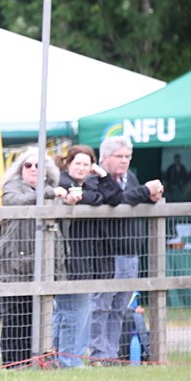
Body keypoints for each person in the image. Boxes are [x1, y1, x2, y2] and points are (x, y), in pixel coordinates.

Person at [0, 147, 66, 368]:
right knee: (16, 314)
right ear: (21, 168)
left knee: (40, 313)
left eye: (38, 165)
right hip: (14, 261)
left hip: (45, 262)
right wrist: (49, 193)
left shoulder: (53, 190)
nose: (33, 169)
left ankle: (36, 359)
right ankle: (13, 362)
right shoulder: (12, 186)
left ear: (46, 170)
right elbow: (14, 202)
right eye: (28, 165)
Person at [90, 136, 163, 364]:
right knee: (100, 306)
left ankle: (111, 355)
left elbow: (133, 199)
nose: (124, 161)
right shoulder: (94, 179)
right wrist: (144, 190)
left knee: (120, 307)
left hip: (131, 253)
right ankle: (97, 354)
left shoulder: (130, 177)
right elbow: (118, 200)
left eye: (127, 156)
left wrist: (152, 197)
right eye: (119, 156)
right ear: (104, 157)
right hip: (105, 254)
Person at [53, 145, 120, 368]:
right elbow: (84, 197)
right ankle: (69, 360)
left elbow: (114, 197)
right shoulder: (61, 182)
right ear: (67, 164)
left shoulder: (91, 183)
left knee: (72, 310)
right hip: (68, 256)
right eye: (77, 163)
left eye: (86, 164)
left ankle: (61, 357)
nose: (82, 168)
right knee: (74, 311)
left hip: (88, 256)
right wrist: (93, 197)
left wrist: (101, 174)